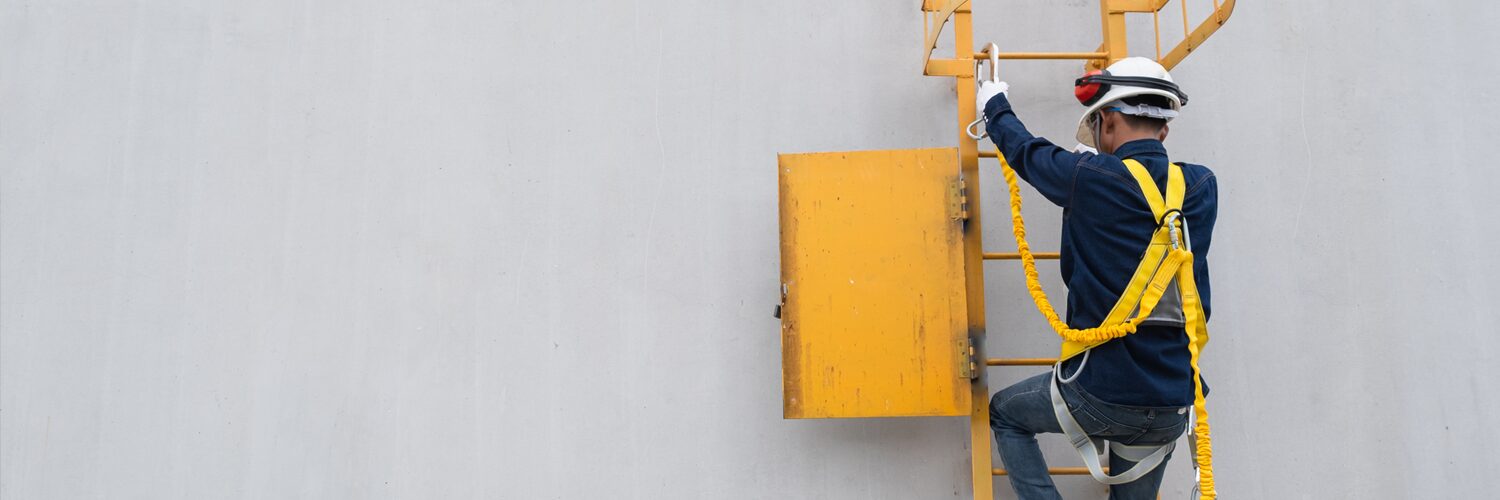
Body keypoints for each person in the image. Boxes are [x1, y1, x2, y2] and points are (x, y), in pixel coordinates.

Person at [975, 57, 1218, 500]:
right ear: (1165, 128)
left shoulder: (1090, 179)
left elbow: (1028, 153)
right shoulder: (1202, 188)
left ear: (1106, 122)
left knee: (1006, 415)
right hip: (1171, 400)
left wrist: (994, 105)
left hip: (1099, 394)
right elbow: (1139, 202)